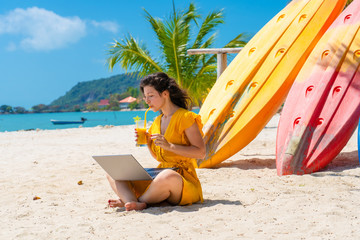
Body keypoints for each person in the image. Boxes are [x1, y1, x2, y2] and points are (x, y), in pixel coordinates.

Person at [107, 72, 206, 211]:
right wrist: (148, 143)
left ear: (165, 94)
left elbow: (201, 152)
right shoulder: (157, 121)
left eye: (151, 96)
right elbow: (159, 156)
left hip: (182, 180)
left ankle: (135, 201)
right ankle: (132, 201)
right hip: (161, 174)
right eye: (145, 97)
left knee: (167, 176)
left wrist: (170, 146)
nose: (147, 101)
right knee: (114, 171)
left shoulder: (186, 117)